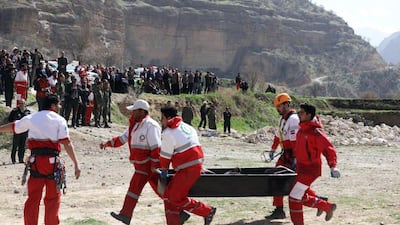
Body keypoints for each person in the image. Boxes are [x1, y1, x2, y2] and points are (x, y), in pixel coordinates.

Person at [0, 94, 81, 225]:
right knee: (53, 200)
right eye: (59, 104)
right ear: (53, 106)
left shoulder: (32, 118)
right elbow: (66, 143)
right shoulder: (60, 120)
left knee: (33, 199)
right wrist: (76, 164)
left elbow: (14, 127)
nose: (60, 106)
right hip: (52, 165)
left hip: (35, 163)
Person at [99, 99, 162, 225]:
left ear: (141, 111)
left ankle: (125, 215)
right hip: (142, 165)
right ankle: (183, 210)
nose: (131, 113)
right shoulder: (134, 126)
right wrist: (107, 143)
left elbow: (156, 148)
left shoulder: (151, 126)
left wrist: (155, 166)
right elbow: (121, 139)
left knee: (134, 189)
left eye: (134, 110)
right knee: (163, 192)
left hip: (146, 166)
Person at [159, 106, 216, 225]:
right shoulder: (187, 127)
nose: (161, 121)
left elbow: (165, 157)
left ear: (168, 118)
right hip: (194, 165)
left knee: (173, 197)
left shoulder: (168, 133)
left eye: (162, 118)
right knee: (169, 194)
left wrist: (164, 170)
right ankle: (180, 216)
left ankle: (207, 211)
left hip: (188, 168)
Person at [289, 103, 340, 225]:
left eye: (301, 112)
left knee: (294, 197)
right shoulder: (302, 129)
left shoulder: (316, 132)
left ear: (309, 114)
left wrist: (333, 166)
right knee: (301, 196)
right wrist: (295, 160)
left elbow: (328, 149)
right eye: (299, 112)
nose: (299, 114)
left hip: (310, 170)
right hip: (301, 168)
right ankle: (326, 206)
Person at [265, 93, 299, 220]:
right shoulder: (282, 119)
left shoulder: (293, 120)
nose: (277, 109)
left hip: (291, 156)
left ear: (287, 104)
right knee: (277, 179)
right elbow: (277, 135)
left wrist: (295, 159)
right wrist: (273, 149)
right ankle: (279, 209)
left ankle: (321, 203)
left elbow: (295, 142)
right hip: (286, 154)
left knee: (295, 186)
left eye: (279, 106)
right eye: (276, 106)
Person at [8, 99, 30, 163]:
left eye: (22, 103)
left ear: (25, 104)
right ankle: (13, 160)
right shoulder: (15, 111)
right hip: (17, 131)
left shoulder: (27, 111)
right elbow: (10, 119)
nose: (21, 105)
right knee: (15, 145)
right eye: (20, 103)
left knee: (22, 146)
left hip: (24, 131)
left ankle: (21, 159)